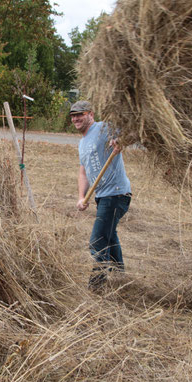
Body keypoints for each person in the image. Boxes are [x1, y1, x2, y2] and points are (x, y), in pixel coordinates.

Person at [71, 100, 132, 289]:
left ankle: (96, 287)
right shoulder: (82, 143)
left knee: (97, 241)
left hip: (116, 193)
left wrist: (122, 142)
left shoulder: (104, 128)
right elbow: (83, 171)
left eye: (80, 114)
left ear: (91, 114)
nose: (75, 118)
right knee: (109, 236)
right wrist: (82, 196)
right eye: (73, 115)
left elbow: (132, 132)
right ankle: (120, 278)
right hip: (102, 196)